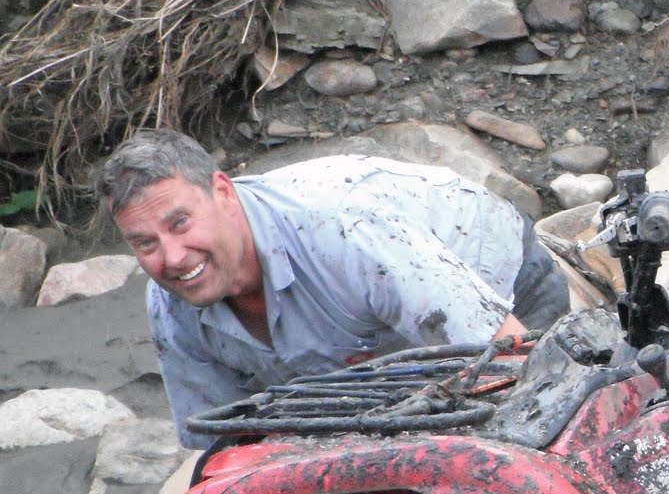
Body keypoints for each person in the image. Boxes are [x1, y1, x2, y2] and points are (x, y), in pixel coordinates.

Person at [99, 128, 569, 447]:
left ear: (222, 192)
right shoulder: (170, 303)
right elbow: (222, 443)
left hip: (498, 280)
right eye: (146, 243)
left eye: (180, 223)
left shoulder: (346, 230)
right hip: (356, 359)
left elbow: (509, 354)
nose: (173, 258)